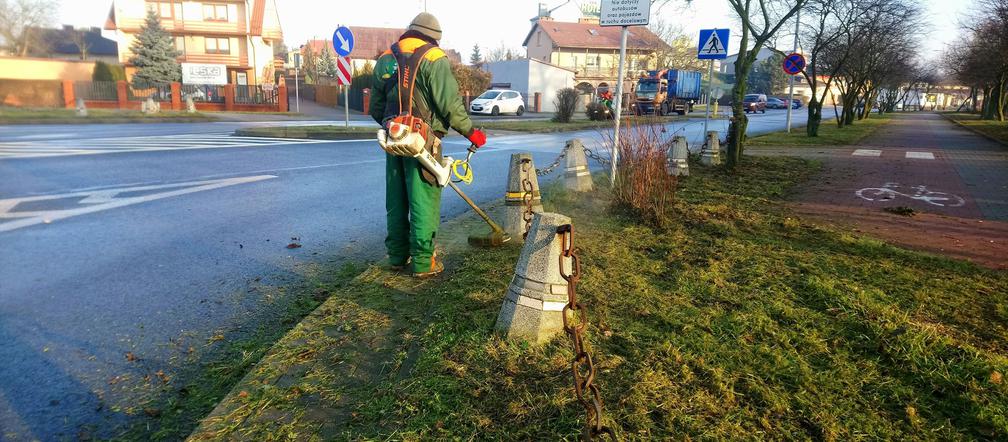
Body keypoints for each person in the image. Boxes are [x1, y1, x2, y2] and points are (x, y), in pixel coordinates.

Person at [370, 12, 487, 278]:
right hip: (424, 143)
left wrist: (394, 124)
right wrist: (471, 133)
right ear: (434, 38)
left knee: (396, 199)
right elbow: (449, 105)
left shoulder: (386, 59)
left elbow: (376, 107)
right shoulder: (434, 59)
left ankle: (397, 257)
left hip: (392, 140)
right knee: (424, 200)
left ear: (409, 32)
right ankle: (424, 263)